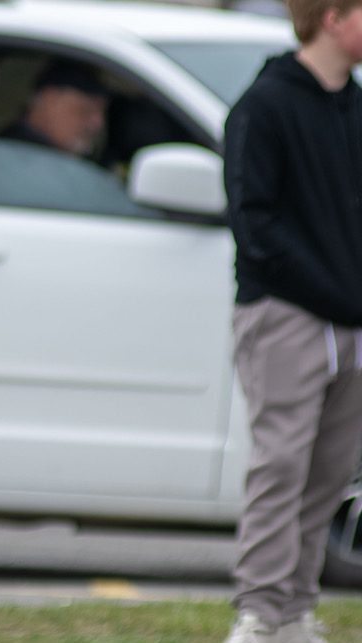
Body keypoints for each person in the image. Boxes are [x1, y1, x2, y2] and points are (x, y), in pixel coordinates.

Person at [222, 0, 362, 640]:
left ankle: (296, 613)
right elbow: (257, 227)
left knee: (330, 471)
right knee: (281, 466)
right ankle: (258, 613)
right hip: (285, 317)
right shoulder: (264, 106)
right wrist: (334, 292)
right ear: (333, 17)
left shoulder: (354, 108)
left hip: (352, 324)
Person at [0, 59, 110, 157]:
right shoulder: (13, 152)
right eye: (85, 110)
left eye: (102, 113)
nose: (98, 123)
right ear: (50, 101)